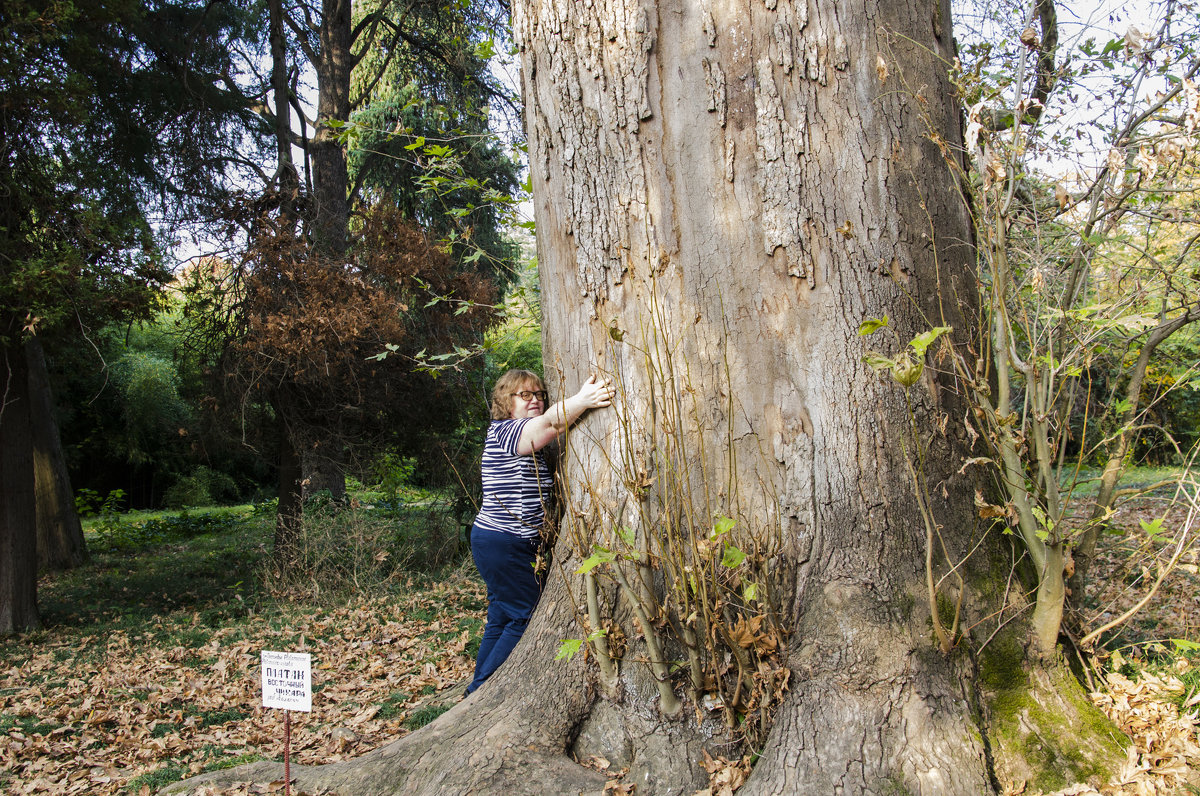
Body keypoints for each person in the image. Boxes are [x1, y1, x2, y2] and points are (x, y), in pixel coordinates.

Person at [466, 368, 614, 694]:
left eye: (539, 394)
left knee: (502, 617)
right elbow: (550, 423)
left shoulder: (520, 435)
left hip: (501, 542)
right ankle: (481, 691)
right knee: (524, 616)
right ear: (506, 401)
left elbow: (553, 425)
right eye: (525, 395)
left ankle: (474, 690)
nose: (534, 400)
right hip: (504, 542)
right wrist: (584, 400)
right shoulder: (506, 431)